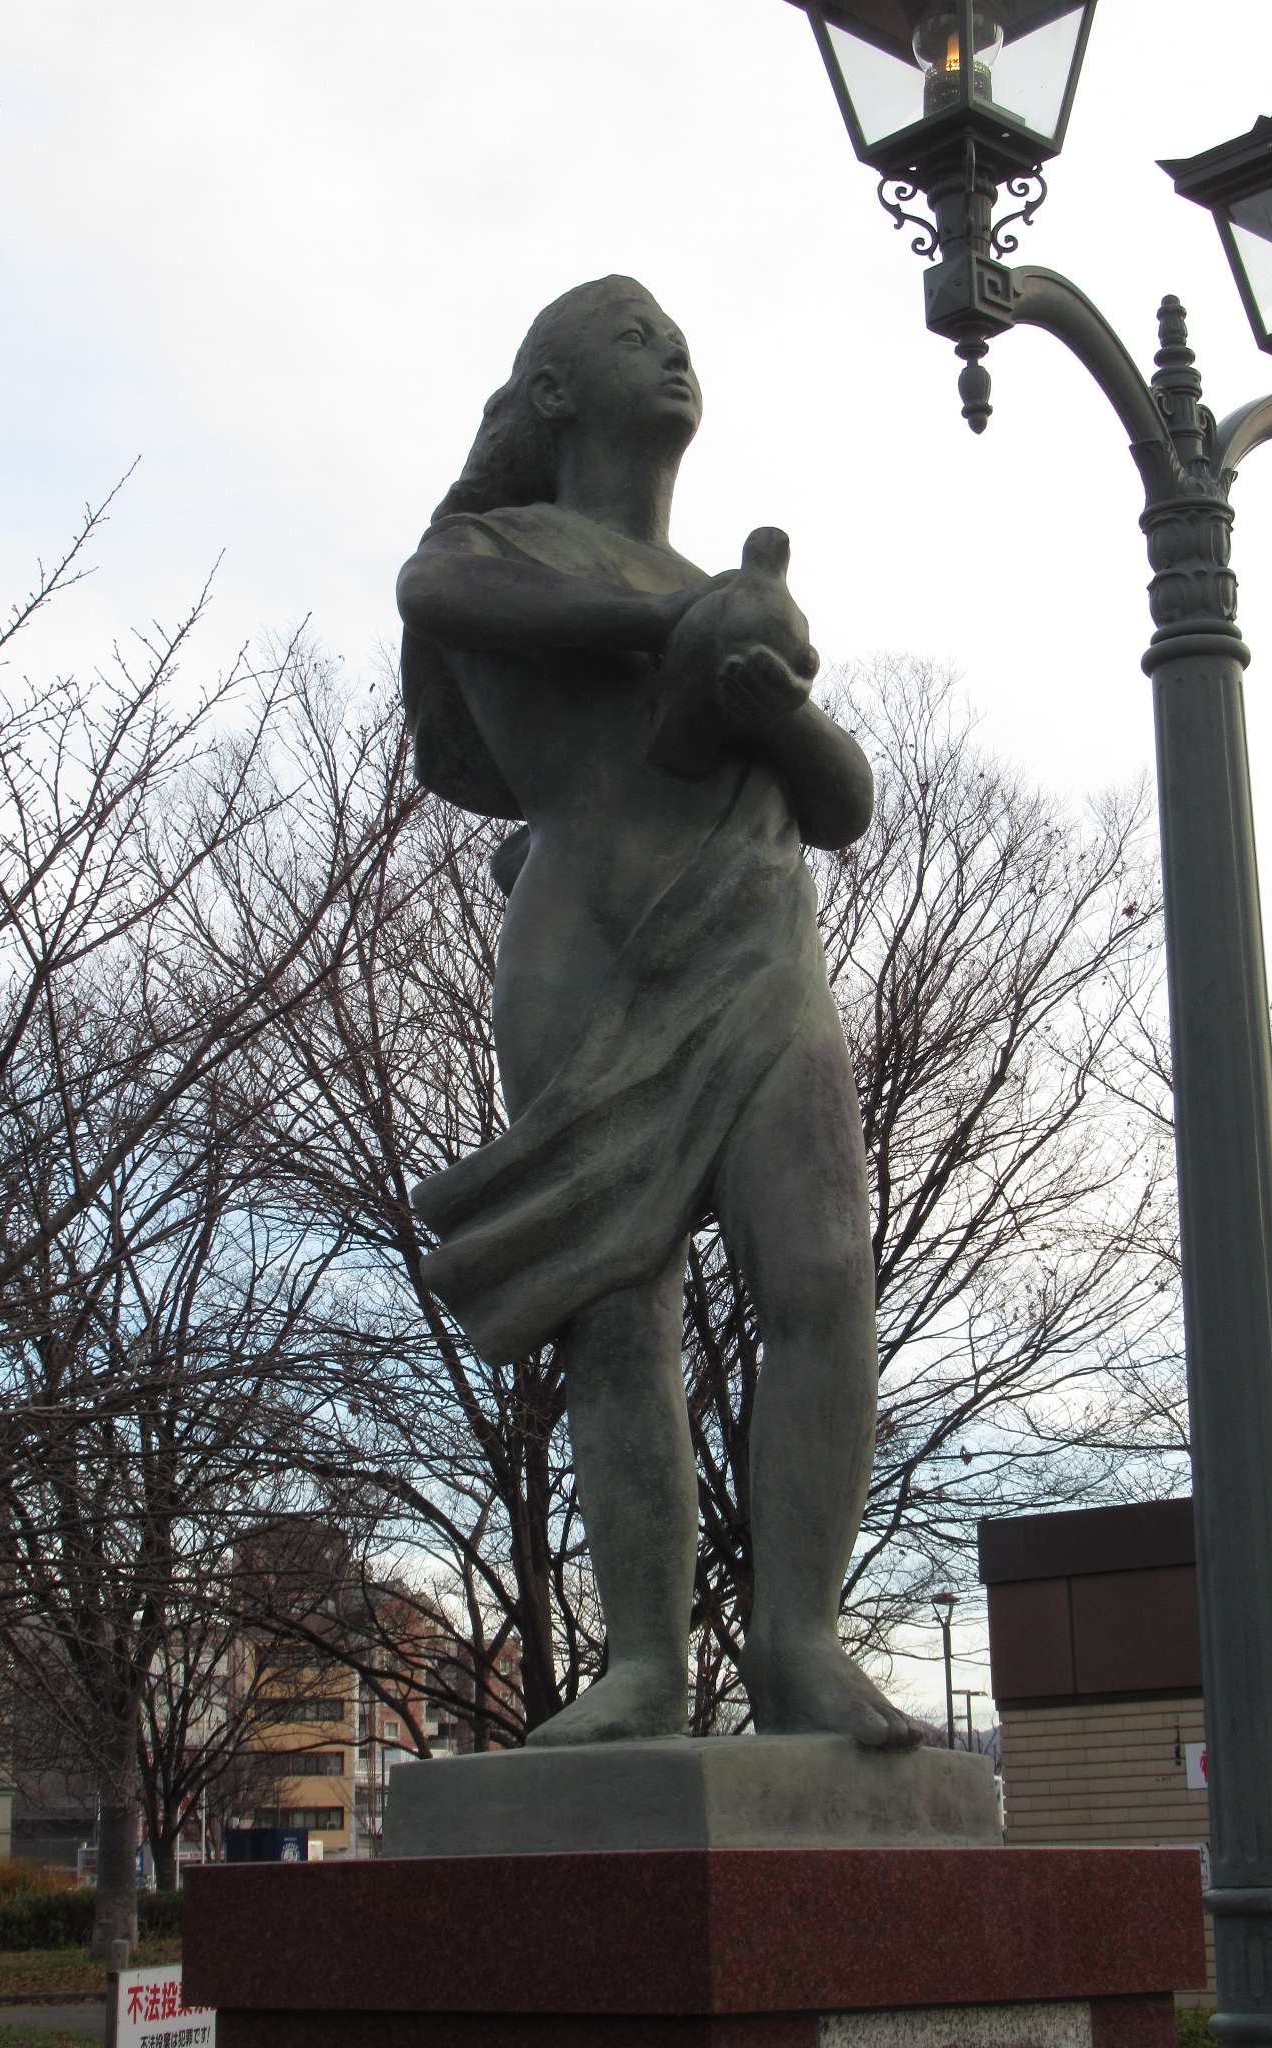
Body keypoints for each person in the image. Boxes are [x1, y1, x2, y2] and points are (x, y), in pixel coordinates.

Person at [396, 276, 917, 1750]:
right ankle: (637, 1667)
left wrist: (773, 698)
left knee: (822, 1276)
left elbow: (845, 801)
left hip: (759, 944)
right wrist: (702, 616)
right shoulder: (487, 550)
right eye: (633, 336)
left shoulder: (718, 607)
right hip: (587, 951)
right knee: (620, 1315)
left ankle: (799, 1646)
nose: (672, 349)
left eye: (679, 333)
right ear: (551, 394)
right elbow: (442, 600)